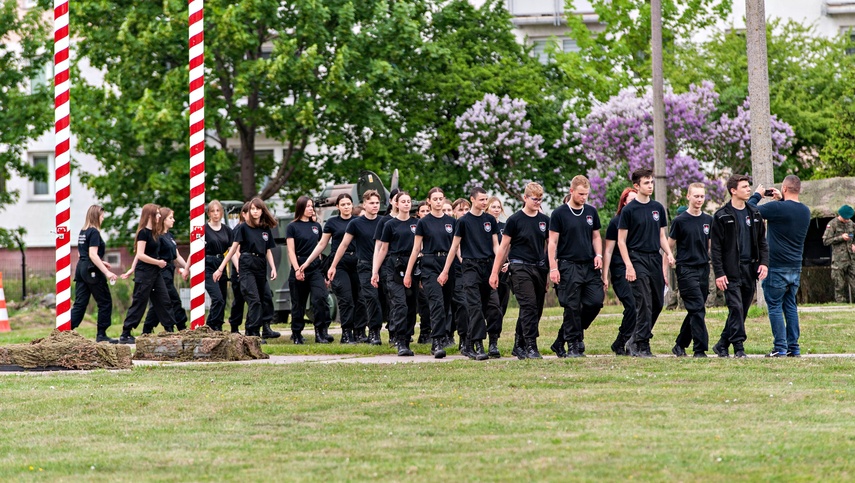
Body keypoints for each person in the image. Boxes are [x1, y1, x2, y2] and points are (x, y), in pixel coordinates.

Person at [617, 168, 675, 357]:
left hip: (654, 258)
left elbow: (661, 235)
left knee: (657, 303)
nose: (650, 186)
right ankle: (642, 345)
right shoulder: (629, 210)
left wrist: (669, 253)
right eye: (646, 183)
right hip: (636, 258)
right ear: (636, 186)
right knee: (644, 303)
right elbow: (621, 241)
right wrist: (628, 265)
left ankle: (634, 339)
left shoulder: (657, 208)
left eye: (651, 182)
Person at [439, 187, 502, 360]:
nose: (484, 202)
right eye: (481, 199)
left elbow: (496, 245)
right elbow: (454, 247)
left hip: (488, 266)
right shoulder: (463, 221)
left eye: (486, 199)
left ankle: (473, 342)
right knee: (475, 307)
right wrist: (445, 271)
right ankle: (478, 344)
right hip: (470, 267)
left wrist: (498, 265)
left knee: (489, 307)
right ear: (472, 199)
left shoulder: (490, 220)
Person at [750, 176, 811, 357]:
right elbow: (788, 213)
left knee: (775, 306)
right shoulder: (805, 211)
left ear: (784, 188)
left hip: (776, 266)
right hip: (795, 266)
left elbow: (749, 211)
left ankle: (780, 347)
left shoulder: (777, 208)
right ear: (798, 189)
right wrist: (781, 199)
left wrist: (757, 195)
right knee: (790, 306)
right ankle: (794, 347)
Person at [709, 174, 768, 358]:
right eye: (744, 187)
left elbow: (762, 242)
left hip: (749, 269)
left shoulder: (755, 213)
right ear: (733, 191)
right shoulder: (721, 215)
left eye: (748, 186)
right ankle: (739, 347)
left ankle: (722, 344)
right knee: (735, 308)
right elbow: (715, 249)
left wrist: (764, 263)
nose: (749, 189)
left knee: (742, 310)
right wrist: (719, 273)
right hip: (730, 271)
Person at [490, 182, 549, 359]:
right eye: (534, 199)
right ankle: (531, 346)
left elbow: (550, 245)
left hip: (539, 267)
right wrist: (495, 272)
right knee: (528, 305)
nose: (537, 202)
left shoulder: (544, 220)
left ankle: (519, 343)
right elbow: (503, 248)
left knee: (536, 308)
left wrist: (550, 270)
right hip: (519, 266)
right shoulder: (514, 220)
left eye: (540, 199)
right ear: (525, 198)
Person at [548, 175, 604, 358]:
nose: (584, 197)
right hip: (568, 265)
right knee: (572, 307)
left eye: (586, 194)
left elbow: (596, 236)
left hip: (589, 265)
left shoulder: (591, 212)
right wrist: (553, 267)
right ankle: (573, 344)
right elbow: (552, 242)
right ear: (571, 191)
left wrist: (599, 255)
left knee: (595, 302)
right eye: (580, 194)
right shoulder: (559, 213)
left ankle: (561, 340)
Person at [301, 194, 363, 344]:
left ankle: (359, 332)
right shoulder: (332, 222)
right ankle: (346, 333)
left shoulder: (358, 221)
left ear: (352, 205)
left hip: (357, 261)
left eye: (348, 204)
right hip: (339, 263)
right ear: (337, 207)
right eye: (343, 204)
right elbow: (322, 244)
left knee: (360, 299)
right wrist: (308, 262)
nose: (346, 207)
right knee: (346, 299)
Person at [405, 187, 456, 359]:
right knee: (437, 303)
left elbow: (456, 247)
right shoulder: (423, 222)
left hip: (447, 262)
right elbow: (415, 249)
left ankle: (443, 334)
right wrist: (408, 273)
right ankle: (437, 341)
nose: (438, 202)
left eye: (441, 198)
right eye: (435, 199)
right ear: (429, 201)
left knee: (446, 305)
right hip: (429, 263)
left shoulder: (452, 221)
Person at [216, 198, 278, 338]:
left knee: (262, 299)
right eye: (252, 209)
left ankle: (253, 330)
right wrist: (221, 268)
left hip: (261, 264)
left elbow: (268, 250)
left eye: (257, 209)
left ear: (262, 211)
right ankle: (253, 331)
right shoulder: (242, 228)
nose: (254, 212)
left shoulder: (265, 229)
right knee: (253, 299)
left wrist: (273, 267)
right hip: (246, 263)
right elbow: (233, 249)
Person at [328, 190, 384, 345]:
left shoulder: (384, 222)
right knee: (369, 298)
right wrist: (333, 266)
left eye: (377, 203)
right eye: (371, 203)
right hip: (364, 265)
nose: (375, 206)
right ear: (364, 204)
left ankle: (366, 331)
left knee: (372, 300)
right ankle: (367, 332)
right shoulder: (356, 223)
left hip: (383, 266)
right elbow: (343, 245)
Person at [119, 204, 177, 344]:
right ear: (150, 215)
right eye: (157, 214)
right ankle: (126, 333)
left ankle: (169, 330)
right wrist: (156, 263)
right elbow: (140, 254)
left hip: (155, 273)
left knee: (164, 300)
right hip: (144, 273)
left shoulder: (155, 233)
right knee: (139, 302)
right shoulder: (143, 233)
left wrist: (134, 268)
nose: (159, 216)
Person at [668, 184, 713, 358]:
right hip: (686, 269)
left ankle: (680, 345)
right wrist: (668, 262)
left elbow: (711, 246)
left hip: (703, 268)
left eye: (702, 196)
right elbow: (669, 245)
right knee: (697, 308)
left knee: (696, 309)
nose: (699, 199)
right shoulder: (680, 221)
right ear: (688, 197)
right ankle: (700, 349)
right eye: (696, 196)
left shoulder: (708, 220)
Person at [373, 191, 419, 356]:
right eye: (403, 201)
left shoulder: (417, 223)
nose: (406, 204)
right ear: (396, 204)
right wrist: (375, 271)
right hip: (394, 266)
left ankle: (407, 338)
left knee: (411, 305)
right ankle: (399, 340)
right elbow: (383, 249)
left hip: (412, 265)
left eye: (408, 201)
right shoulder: (389, 224)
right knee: (400, 304)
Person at [70, 205, 119, 343]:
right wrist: (107, 272)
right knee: (105, 301)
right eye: (102, 216)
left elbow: (82, 253)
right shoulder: (94, 232)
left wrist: (101, 262)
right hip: (91, 271)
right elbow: (92, 254)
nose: (103, 219)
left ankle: (65, 330)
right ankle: (101, 334)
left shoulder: (83, 231)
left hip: (81, 268)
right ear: (96, 217)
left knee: (80, 303)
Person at [288, 196, 332, 344]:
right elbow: (291, 251)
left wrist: (323, 273)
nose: (311, 209)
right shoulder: (292, 227)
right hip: (299, 266)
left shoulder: (316, 227)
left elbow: (319, 248)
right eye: (308, 206)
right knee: (298, 303)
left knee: (320, 298)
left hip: (315, 268)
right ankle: (297, 333)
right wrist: (297, 270)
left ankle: (320, 332)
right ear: (301, 208)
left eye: (312, 206)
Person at [142, 207, 189, 334]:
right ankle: (181, 326)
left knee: (160, 302)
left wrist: (187, 267)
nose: (173, 220)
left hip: (170, 270)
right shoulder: (157, 237)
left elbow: (177, 255)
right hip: (162, 271)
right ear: (163, 219)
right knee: (173, 300)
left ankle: (147, 329)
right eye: (170, 218)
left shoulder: (170, 236)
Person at [603, 188, 637, 355]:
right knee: (632, 306)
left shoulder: (639, 221)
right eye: (631, 200)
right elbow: (608, 251)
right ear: (624, 202)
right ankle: (621, 341)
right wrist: (605, 276)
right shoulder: (615, 222)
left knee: (640, 307)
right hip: (620, 270)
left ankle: (630, 342)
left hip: (637, 268)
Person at [203, 200, 233, 331]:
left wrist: (238, 268)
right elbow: (195, 250)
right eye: (212, 211)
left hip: (221, 263)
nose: (215, 213)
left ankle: (218, 327)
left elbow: (232, 251)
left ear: (221, 212)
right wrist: (187, 268)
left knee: (223, 299)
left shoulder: (227, 230)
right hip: (207, 263)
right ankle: (210, 325)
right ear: (208, 213)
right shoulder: (203, 229)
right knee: (218, 298)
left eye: (218, 210)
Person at [822, 205, 855, 304]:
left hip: (851, 259)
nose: (847, 220)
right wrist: (841, 237)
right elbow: (826, 241)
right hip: (838, 260)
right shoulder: (832, 224)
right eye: (845, 218)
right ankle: (841, 305)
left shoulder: (851, 224)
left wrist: (854, 244)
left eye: (848, 218)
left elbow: (853, 237)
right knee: (839, 285)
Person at [226, 202, 250, 334]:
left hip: (252, 268)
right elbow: (235, 251)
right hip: (240, 269)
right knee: (239, 299)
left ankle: (252, 327)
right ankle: (234, 326)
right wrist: (241, 267)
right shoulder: (238, 229)